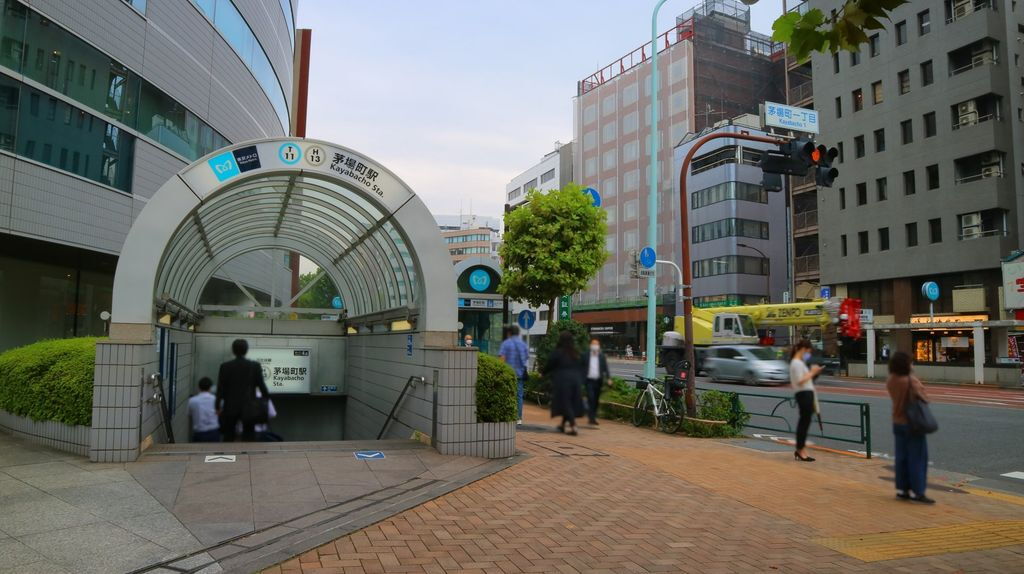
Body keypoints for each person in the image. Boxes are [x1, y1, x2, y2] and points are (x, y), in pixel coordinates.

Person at [886, 351, 935, 503]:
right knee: (917, 458)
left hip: (897, 422)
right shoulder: (910, 380)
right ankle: (918, 492)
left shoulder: (891, 380)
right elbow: (924, 397)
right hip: (912, 423)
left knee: (901, 457)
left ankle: (903, 490)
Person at [216, 339, 270, 442]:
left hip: (230, 405)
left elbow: (221, 388)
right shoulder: (254, 366)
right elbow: (262, 386)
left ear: (233, 350)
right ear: (246, 350)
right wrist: (265, 400)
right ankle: (247, 451)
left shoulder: (225, 366)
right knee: (249, 435)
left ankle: (228, 451)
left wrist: (217, 406)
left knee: (229, 434)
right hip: (249, 405)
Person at [543, 331, 584, 435]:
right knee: (570, 402)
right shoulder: (575, 353)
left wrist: (542, 373)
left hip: (563, 381)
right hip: (576, 380)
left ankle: (573, 426)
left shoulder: (558, 352)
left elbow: (549, 365)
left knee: (566, 402)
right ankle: (562, 425)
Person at [789, 339, 823, 462]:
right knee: (804, 422)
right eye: (808, 352)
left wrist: (814, 373)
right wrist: (813, 372)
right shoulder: (796, 363)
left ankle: (801, 449)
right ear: (803, 349)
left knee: (805, 422)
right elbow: (800, 380)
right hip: (803, 394)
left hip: (806, 393)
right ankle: (800, 450)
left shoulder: (798, 363)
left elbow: (805, 379)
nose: (808, 355)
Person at [499, 324, 530, 425]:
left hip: (508, 374)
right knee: (519, 396)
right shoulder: (523, 344)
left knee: (508, 394)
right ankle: (518, 418)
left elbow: (502, 359)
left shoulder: (506, 343)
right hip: (520, 374)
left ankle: (508, 415)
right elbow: (526, 358)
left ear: (509, 333)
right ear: (518, 333)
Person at [582, 338, 611, 425]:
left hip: (598, 381)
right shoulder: (585, 355)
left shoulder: (601, 356)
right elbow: (580, 366)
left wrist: (608, 378)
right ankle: (591, 416)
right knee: (591, 398)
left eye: (597, 344)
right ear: (590, 346)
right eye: (594, 344)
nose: (595, 346)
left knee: (596, 400)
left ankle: (593, 417)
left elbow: (605, 368)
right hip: (589, 381)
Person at [188, 377, 219, 442]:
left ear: (199, 387)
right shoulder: (216, 399)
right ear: (210, 388)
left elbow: (190, 414)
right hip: (214, 432)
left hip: (199, 433)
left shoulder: (192, 400)